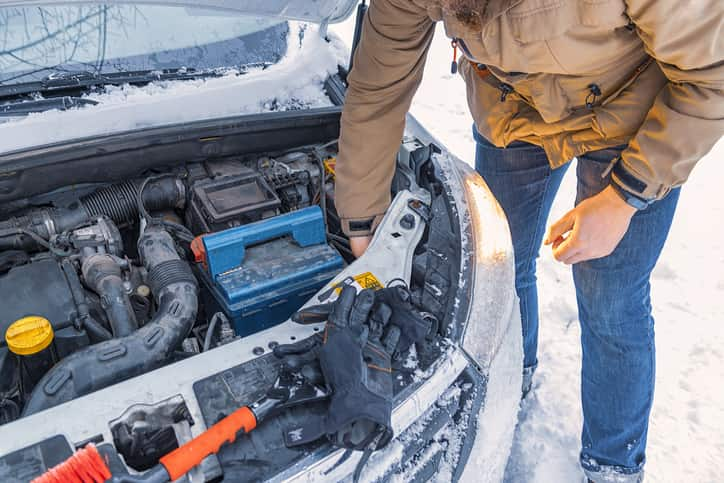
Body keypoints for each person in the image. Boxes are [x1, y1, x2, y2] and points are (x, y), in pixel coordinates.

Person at [333, 0, 724, 481]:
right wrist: (360, 218)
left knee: (611, 298)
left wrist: (625, 197)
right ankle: (509, 375)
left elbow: (713, 73)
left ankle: (614, 464)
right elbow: (376, 90)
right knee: (501, 266)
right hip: (514, 115)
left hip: (635, 116)